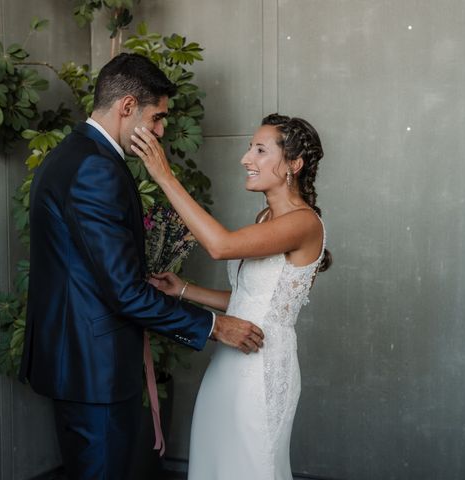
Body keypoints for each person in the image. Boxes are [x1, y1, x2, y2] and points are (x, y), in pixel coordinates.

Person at [18, 53, 264, 480]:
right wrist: (215, 326)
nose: (161, 131)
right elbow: (124, 292)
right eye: (158, 118)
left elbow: (93, 272)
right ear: (128, 106)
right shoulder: (96, 167)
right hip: (94, 369)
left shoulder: (74, 154)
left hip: (79, 361)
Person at [131, 113, 332, 479]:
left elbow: (220, 246)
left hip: (262, 366)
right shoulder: (263, 217)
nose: (246, 159)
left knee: (252, 467)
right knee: (216, 465)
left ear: (294, 164)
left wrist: (164, 175)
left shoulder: (304, 223)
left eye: (259, 149)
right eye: (248, 147)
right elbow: (248, 301)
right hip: (228, 362)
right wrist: (184, 290)